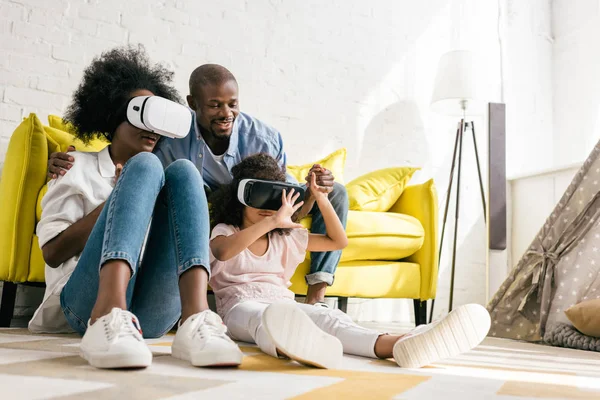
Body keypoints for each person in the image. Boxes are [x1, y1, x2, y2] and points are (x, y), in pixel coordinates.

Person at [47, 64, 347, 306]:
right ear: (193, 105)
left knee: (336, 193)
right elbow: (120, 149)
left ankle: (202, 313)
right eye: (215, 105)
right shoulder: (165, 141)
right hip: (209, 206)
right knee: (178, 173)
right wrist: (100, 180)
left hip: (250, 207)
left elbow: (289, 198)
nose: (226, 113)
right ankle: (116, 311)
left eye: (232, 104)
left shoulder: (261, 138)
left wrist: (313, 192)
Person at [31, 45, 243, 369]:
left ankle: (196, 317)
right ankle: (107, 313)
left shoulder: (161, 175)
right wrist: (116, 201)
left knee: (185, 170)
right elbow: (52, 251)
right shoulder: (76, 167)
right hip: (81, 303)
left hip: (149, 316)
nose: (152, 128)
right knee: (144, 165)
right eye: (140, 113)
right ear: (113, 115)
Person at [208, 153, 492, 369]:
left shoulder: (286, 238)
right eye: (256, 196)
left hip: (284, 304)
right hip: (238, 307)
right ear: (239, 197)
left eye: (273, 198)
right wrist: (271, 223)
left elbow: (337, 241)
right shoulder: (226, 232)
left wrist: (320, 198)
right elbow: (223, 252)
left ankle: (398, 344)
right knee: (264, 318)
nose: (265, 207)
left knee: (324, 317)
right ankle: (296, 346)